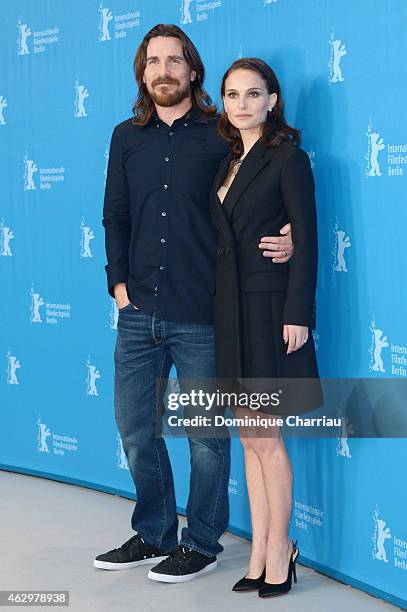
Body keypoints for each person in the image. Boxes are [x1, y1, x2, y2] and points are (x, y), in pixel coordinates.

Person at [96, 24, 294, 583]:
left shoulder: (221, 133)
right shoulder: (124, 137)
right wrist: (118, 284)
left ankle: (202, 541)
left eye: (174, 61)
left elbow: (262, 186)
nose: (164, 70)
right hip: (138, 310)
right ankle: (155, 531)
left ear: (192, 70)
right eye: (153, 61)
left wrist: (294, 235)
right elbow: (116, 214)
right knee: (136, 428)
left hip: (204, 312)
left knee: (207, 437)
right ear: (143, 72)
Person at [210, 57, 322, 597]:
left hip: (269, 310)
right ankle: (258, 549)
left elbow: (308, 237)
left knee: (267, 437)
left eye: (253, 94)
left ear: (272, 100)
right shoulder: (227, 164)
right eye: (232, 95)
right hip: (230, 314)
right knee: (249, 437)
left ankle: (281, 549)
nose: (242, 104)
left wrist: (299, 311)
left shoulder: (288, 159)